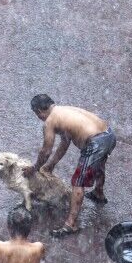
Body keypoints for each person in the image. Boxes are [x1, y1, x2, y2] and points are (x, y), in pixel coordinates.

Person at [23, 94, 116, 237]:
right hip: (108, 135)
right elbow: (65, 143)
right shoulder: (62, 111)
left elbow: (46, 151)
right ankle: (98, 192)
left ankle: (70, 224)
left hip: (95, 142)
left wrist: (35, 168)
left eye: (37, 114)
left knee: (78, 181)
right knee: (99, 163)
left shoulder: (50, 121)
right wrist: (50, 165)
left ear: (38, 112)